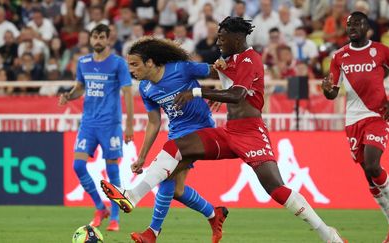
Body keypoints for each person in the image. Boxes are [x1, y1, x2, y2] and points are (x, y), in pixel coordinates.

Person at [101, 17, 346, 243]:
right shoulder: (229, 61)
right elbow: (226, 82)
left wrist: (199, 92)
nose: (218, 41)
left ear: (237, 38)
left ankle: (328, 234)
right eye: (217, 36)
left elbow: (237, 94)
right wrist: (219, 92)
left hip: (251, 133)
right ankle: (132, 196)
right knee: (173, 148)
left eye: (222, 37)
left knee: (278, 190)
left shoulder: (251, 59)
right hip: (230, 132)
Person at [125, 37, 228, 243]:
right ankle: (213, 213)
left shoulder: (182, 69)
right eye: (129, 65)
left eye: (135, 64)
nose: (131, 70)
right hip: (177, 133)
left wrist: (221, 92)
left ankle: (152, 232)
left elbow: (220, 70)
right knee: (177, 191)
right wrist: (142, 156)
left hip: (201, 129)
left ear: (150, 62)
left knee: (166, 177)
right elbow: (153, 123)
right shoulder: (146, 88)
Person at [321, 11, 389, 243]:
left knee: (373, 165)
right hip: (353, 120)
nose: (352, 28)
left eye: (356, 24)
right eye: (349, 24)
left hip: (377, 115)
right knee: (368, 175)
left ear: (366, 27)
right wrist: (326, 89)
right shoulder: (339, 56)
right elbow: (332, 94)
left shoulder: (381, 51)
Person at [58, 24, 134, 231]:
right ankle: (100, 208)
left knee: (112, 170)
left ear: (108, 39)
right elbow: (79, 88)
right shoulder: (83, 62)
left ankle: (115, 217)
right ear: (90, 39)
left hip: (110, 124)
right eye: (95, 37)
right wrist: (68, 95)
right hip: (88, 123)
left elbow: (128, 92)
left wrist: (129, 124)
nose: (98, 40)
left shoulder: (118, 63)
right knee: (78, 166)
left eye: (102, 37)